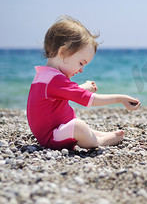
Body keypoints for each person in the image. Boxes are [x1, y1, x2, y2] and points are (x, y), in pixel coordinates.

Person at [27, 15, 140, 150]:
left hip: (55, 131)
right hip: (53, 136)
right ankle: (100, 141)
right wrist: (120, 98)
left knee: (81, 127)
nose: (81, 70)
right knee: (79, 126)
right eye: (81, 63)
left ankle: (98, 135)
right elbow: (90, 100)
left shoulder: (45, 75)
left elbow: (64, 93)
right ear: (62, 52)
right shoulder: (55, 79)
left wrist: (83, 88)